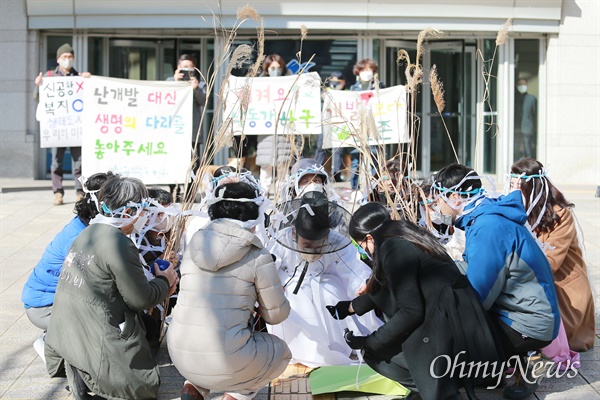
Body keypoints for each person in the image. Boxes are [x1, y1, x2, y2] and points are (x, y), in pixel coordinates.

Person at [327, 203, 502, 400]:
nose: (364, 251)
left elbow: (410, 311)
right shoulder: (405, 234)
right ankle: (429, 387)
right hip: (457, 314)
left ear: (369, 238)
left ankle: (439, 391)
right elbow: (388, 289)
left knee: (377, 349)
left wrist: (370, 341)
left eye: (361, 245)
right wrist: (350, 308)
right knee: (382, 343)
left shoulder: (393, 249)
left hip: (447, 324)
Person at [432, 163, 560, 400]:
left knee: (452, 322)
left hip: (530, 322)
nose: (435, 205)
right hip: (530, 311)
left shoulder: (488, 226)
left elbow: (478, 294)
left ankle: (530, 361)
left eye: (437, 198)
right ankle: (497, 366)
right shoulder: (484, 216)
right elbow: (477, 269)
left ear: (454, 197)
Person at [44, 176, 179, 400]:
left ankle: (80, 365)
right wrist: (165, 280)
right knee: (144, 387)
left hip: (66, 329)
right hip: (95, 327)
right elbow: (141, 299)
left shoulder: (88, 231)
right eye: (145, 210)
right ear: (128, 213)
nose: (146, 216)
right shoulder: (118, 242)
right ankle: (90, 375)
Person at [168, 181, 291, 400]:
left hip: (180, 352)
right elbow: (275, 316)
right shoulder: (258, 255)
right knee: (281, 352)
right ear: (253, 214)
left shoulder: (194, 244)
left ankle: (192, 388)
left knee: (208, 345)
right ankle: (234, 396)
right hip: (226, 358)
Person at [268, 191, 383, 367]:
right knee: (295, 301)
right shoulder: (283, 239)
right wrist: (273, 285)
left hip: (325, 282)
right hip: (290, 284)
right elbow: (268, 267)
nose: (313, 251)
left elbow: (353, 269)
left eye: (319, 246)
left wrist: (363, 285)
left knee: (332, 295)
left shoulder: (337, 242)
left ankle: (338, 346)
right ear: (294, 233)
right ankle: (296, 350)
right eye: (307, 245)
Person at [21, 172, 111, 363]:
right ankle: (50, 343)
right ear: (101, 200)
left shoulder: (90, 224)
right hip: (43, 306)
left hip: (55, 299)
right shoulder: (80, 237)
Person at [510, 158, 595, 352]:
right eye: (511, 184)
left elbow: (551, 262)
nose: (513, 190)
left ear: (533, 187)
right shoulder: (512, 209)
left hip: (562, 286)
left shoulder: (560, 215)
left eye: (518, 185)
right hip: (529, 279)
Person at [34, 43, 91, 205]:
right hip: (57, 128)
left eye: (70, 57)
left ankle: (80, 192)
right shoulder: (50, 76)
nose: (67, 60)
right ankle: (57, 192)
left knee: (79, 163)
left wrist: (89, 80)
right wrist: (39, 86)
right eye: (64, 57)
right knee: (56, 162)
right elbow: (37, 98)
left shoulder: (79, 77)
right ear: (58, 59)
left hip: (75, 128)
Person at [336, 58, 384, 192]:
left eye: (369, 70)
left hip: (374, 131)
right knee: (356, 162)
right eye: (364, 70)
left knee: (375, 162)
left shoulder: (380, 86)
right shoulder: (353, 88)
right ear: (358, 72)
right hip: (358, 130)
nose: (367, 73)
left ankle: (376, 189)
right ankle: (355, 189)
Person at [167, 54, 207, 202]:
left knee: (192, 164)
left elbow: (203, 102)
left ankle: (190, 193)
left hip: (192, 132)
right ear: (178, 68)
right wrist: (175, 83)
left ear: (194, 68)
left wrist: (195, 89)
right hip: (174, 131)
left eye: (189, 67)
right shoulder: (169, 82)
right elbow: (166, 101)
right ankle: (174, 191)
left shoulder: (200, 84)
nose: (186, 70)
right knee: (173, 162)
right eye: (183, 67)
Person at [255, 54, 296, 195]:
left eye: (278, 68)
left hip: (285, 132)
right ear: (266, 69)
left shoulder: (291, 83)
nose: (275, 70)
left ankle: (282, 197)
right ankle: (263, 195)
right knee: (266, 166)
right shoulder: (258, 86)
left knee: (283, 167)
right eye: (272, 68)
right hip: (266, 132)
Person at [514, 78, 537, 158]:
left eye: (523, 84)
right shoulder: (513, 98)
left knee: (528, 147)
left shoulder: (532, 99)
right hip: (515, 128)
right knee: (516, 149)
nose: (522, 86)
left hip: (527, 127)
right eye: (520, 84)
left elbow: (535, 114)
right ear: (516, 86)